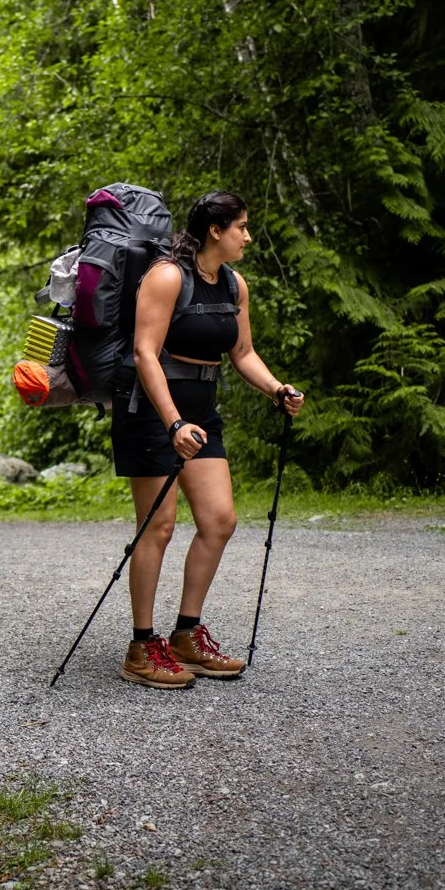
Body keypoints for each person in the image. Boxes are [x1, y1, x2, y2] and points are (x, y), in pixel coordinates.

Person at [112, 191, 304, 688]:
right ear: (215, 230)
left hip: (200, 410)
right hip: (153, 410)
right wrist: (173, 423)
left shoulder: (235, 285)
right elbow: (145, 352)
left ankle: (185, 635)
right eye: (240, 226)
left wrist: (276, 389)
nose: (247, 235)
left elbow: (242, 352)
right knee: (158, 526)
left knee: (219, 521)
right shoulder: (168, 276)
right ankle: (141, 646)